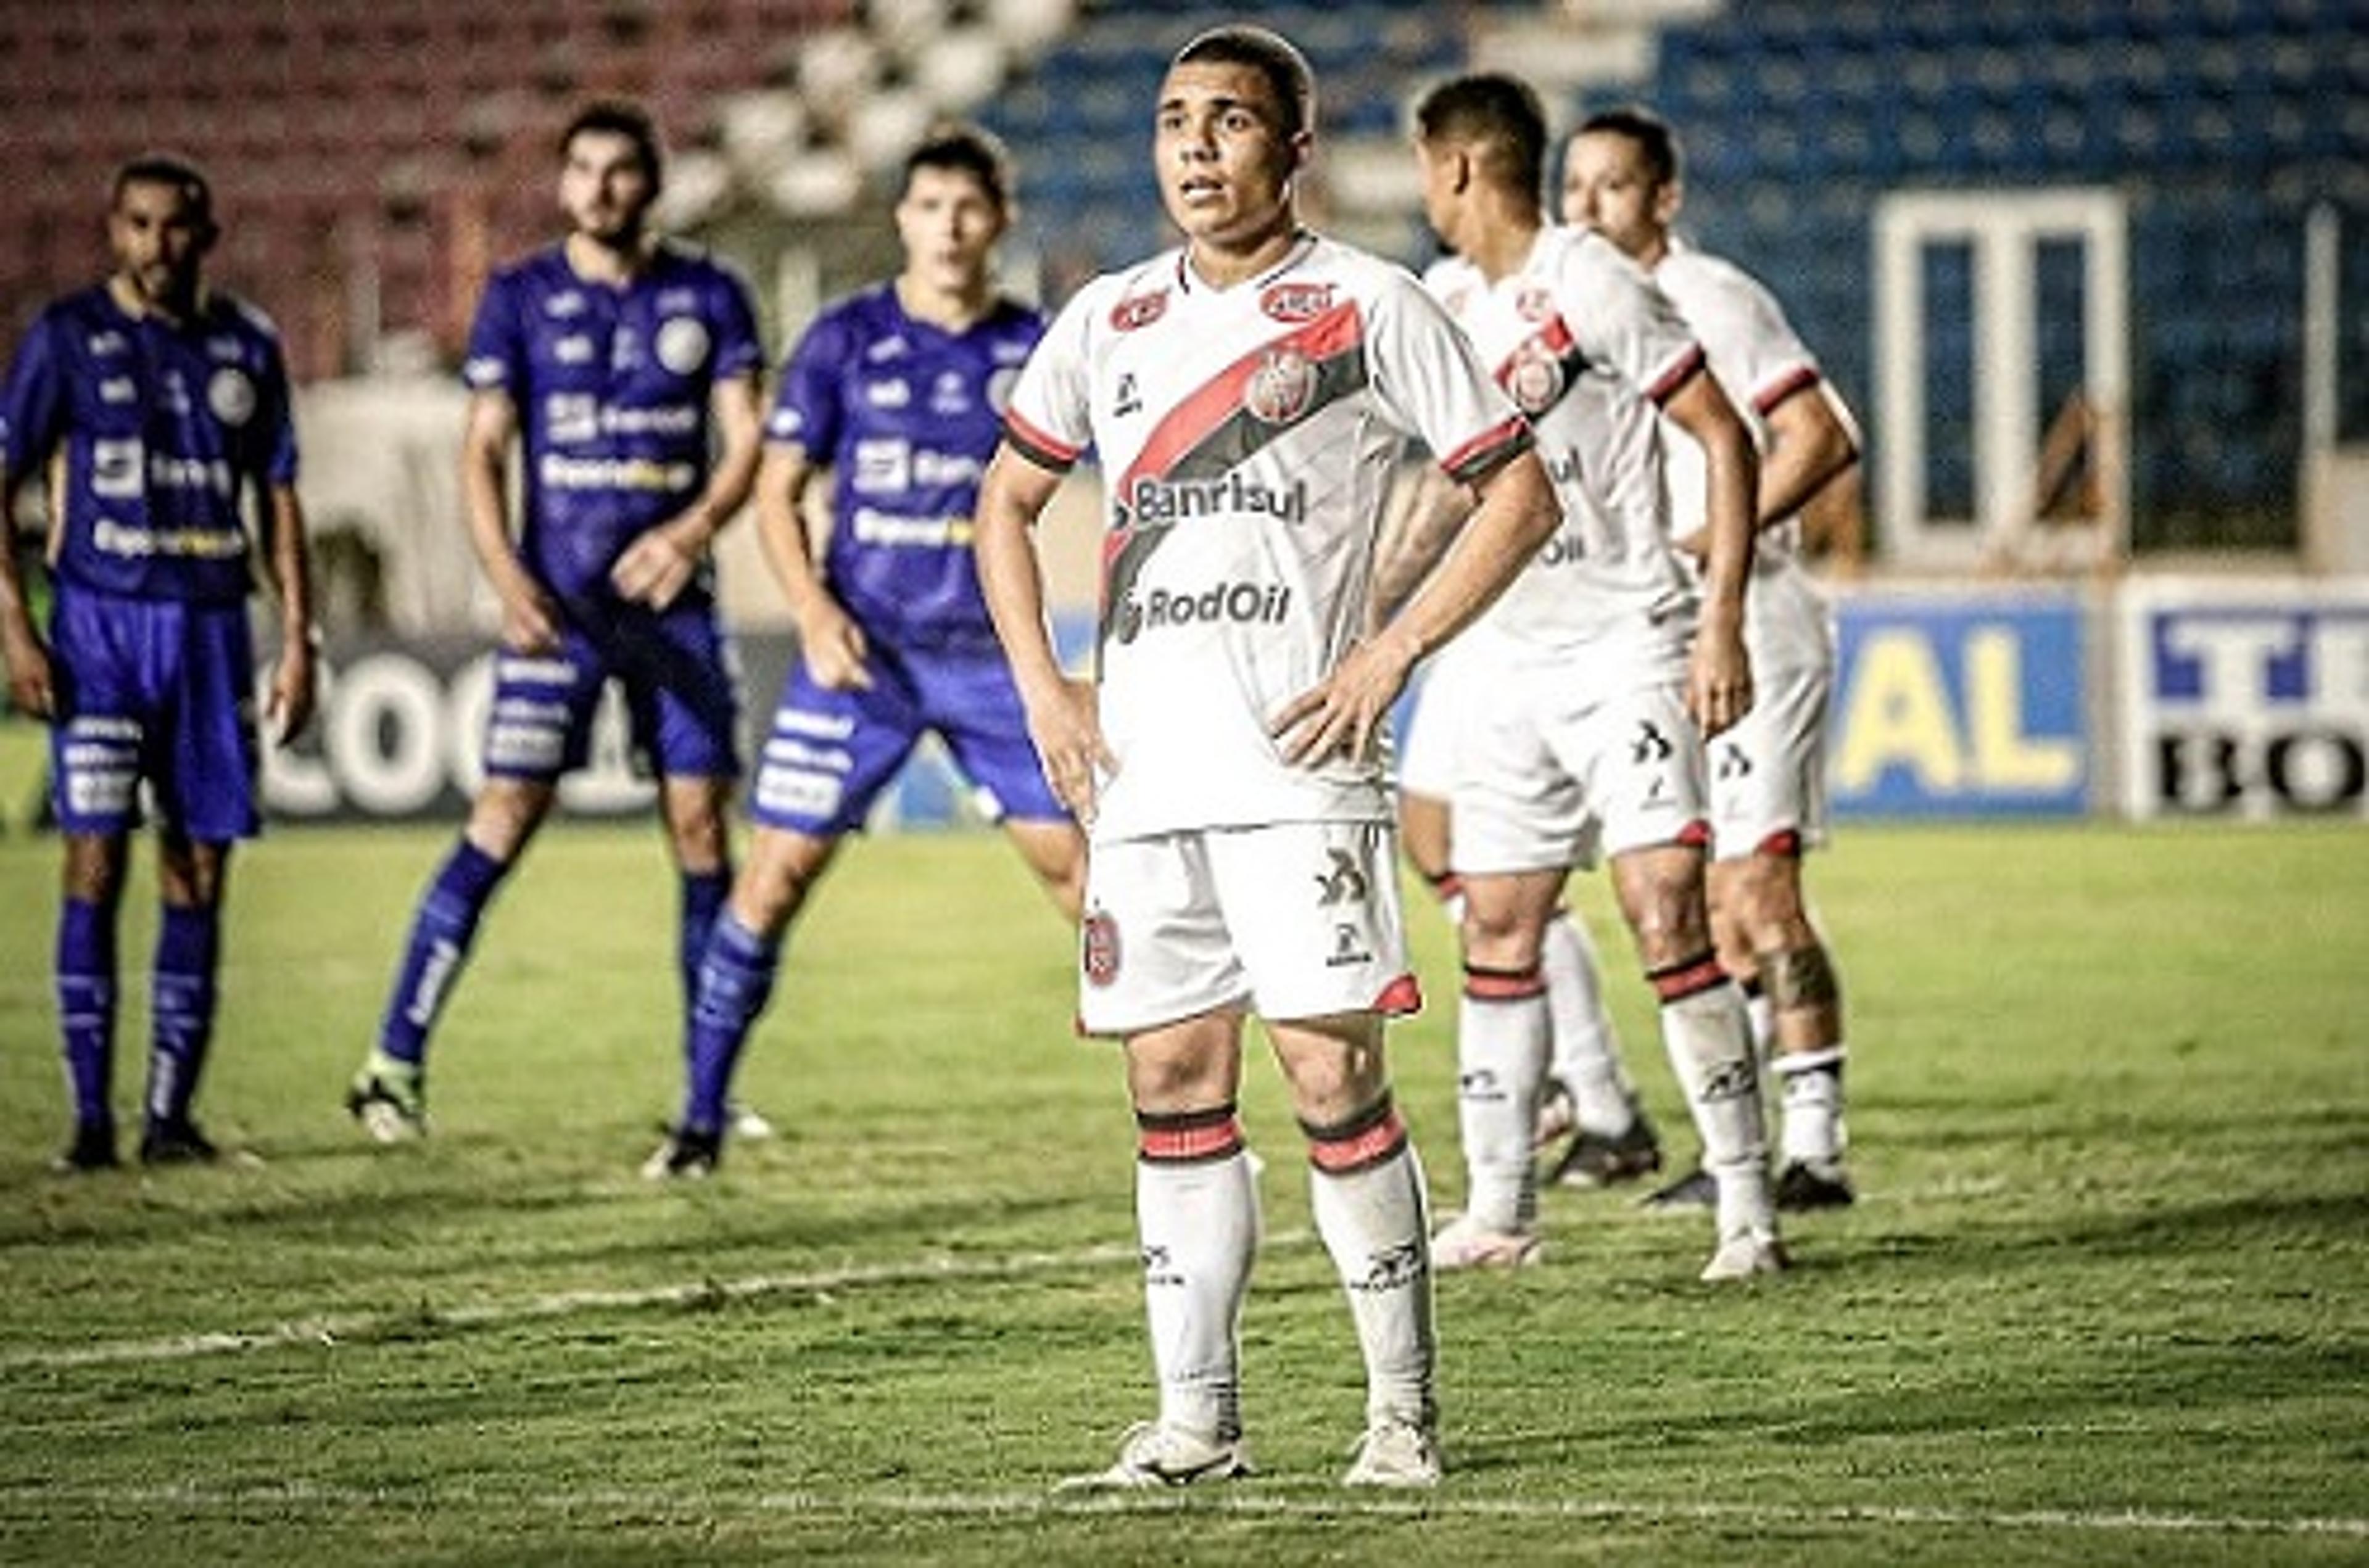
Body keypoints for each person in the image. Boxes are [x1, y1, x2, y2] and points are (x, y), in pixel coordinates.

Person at [974, 26, 1560, 1492]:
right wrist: (1045, 692)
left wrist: (1385, 654)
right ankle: (1194, 1425)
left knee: (1326, 1077)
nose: (1193, 147)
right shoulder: (1103, 319)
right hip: (1142, 778)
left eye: (1227, 121)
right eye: (1174, 120)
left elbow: (1516, 492)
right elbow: (1003, 503)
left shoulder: (1367, 304)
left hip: (1298, 766)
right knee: (1171, 1079)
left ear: (1292, 148)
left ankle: (1399, 1418)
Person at [1391, 73, 1785, 1279]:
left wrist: (1718, 622)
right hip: (1504, 654)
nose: (1422, 190)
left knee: (1664, 900)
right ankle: (1502, 1208)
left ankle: (1747, 1210)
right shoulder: (1448, 300)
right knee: (1499, 923)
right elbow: (1448, 488)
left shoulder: (1596, 281)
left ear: (1458, 168)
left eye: (1423, 167)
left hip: (1625, 643)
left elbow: (1724, 433)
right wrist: (1370, 614)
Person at [641, 123, 1087, 1179]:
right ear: (903, 219)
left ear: (1000, 221)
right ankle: (699, 1121)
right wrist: (811, 611)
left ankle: (1189, 1110)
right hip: (864, 656)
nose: (949, 227)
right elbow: (774, 490)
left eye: (969, 209)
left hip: (988, 659)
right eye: (930, 207)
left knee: (1083, 878)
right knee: (775, 874)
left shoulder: (1035, 350)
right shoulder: (845, 340)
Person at [347, 101, 765, 1142]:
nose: (602, 188)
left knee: (702, 827)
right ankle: (392, 1062)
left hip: (676, 613)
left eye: (621, 170)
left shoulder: (708, 292)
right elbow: (482, 448)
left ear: (652, 182)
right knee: (504, 815)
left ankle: (707, 1090)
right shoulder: (521, 294)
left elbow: (751, 438)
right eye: (583, 170)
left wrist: (693, 529)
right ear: (566, 184)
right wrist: (504, 571)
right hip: (560, 615)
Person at [1562, 105, 1863, 1211]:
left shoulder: (1712, 299)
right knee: (1700, 895)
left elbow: (1823, 436)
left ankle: (1817, 1149)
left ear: (1665, 199)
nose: (1589, 207)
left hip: (1755, 620)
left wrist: (1714, 543)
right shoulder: (1574, 308)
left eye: (1614, 187)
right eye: (1575, 186)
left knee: (1758, 882)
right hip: (1653, 629)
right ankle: (1741, 1138)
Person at [0, 155, 316, 1170]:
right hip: (99, 630)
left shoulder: (246, 344)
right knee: (93, 860)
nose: (156, 245)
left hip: (211, 628)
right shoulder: (66, 339)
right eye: (138, 224)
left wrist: (299, 639)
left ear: (207, 235)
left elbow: (280, 498)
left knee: (199, 865)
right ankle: (91, 1123)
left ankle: (170, 1119)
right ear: (113, 231)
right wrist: (15, 626)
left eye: (175, 227)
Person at [1383, 474, 1665, 1195]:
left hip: (1542, 611)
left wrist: (1380, 600)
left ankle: (1597, 1096)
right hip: (1495, 600)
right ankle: (1591, 1090)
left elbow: (1467, 475)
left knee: (1488, 868)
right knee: (1432, 838)